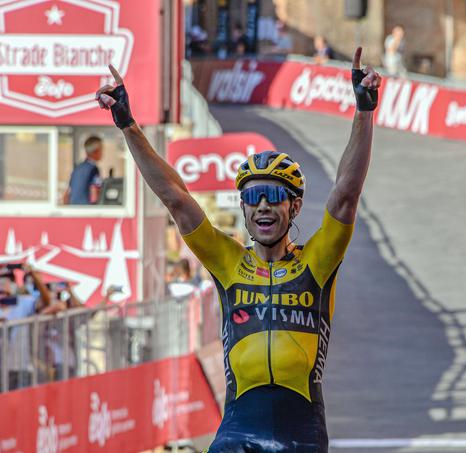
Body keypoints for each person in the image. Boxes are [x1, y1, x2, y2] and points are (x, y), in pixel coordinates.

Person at [97, 47, 379, 452]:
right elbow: (176, 199)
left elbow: (346, 196)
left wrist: (364, 111)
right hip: (238, 430)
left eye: (273, 194)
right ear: (244, 209)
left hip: (300, 431)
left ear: (294, 206)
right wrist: (127, 124)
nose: (263, 205)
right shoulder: (227, 261)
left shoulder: (317, 260)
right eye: (253, 197)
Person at [0, 263, 51, 391]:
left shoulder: (23, 302)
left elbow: (46, 302)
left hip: (20, 367)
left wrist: (34, 276)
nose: (2, 297)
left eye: (5, 294)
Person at [63, 136, 104, 205]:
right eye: (101, 150)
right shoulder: (93, 169)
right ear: (96, 151)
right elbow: (95, 192)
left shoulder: (77, 168)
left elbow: (67, 194)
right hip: (86, 209)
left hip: (73, 208)